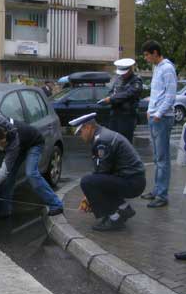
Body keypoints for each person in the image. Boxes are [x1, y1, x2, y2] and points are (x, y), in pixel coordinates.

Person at [0, 103, 64, 217]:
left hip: (34, 143)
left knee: (31, 173)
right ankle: (4, 210)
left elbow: (3, 171)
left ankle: (56, 205)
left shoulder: (13, 145)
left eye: (1, 144)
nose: (0, 146)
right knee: (9, 177)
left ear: (4, 136)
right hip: (22, 142)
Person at [69, 113, 146, 231]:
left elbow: (102, 173)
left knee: (87, 182)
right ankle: (122, 209)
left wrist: (89, 199)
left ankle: (115, 218)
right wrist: (88, 197)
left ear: (88, 127)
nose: (80, 136)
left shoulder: (102, 140)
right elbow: (102, 171)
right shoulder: (101, 136)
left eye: (80, 132)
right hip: (132, 179)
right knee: (93, 182)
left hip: (132, 181)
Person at [140, 40, 177, 208]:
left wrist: (158, 114)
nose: (146, 58)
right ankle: (157, 190)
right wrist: (150, 110)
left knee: (162, 159)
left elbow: (170, 95)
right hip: (154, 116)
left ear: (155, 52)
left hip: (161, 119)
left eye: (147, 55)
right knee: (156, 157)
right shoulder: (157, 68)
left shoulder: (168, 69)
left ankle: (162, 195)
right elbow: (156, 93)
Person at [101, 58, 143, 143]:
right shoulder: (118, 79)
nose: (122, 75)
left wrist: (111, 99)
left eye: (124, 73)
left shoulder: (136, 81)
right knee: (113, 141)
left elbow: (128, 94)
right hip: (115, 114)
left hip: (127, 116)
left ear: (130, 69)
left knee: (125, 142)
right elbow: (111, 92)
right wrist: (107, 98)